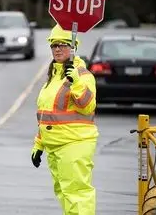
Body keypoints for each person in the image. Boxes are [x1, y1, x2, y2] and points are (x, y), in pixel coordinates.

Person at [30, 24, 99, 215]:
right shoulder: (54, 75)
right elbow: (47, 114)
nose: (58, 48)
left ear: (73, 46)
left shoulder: (83, 75)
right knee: (63, 193)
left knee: (77, 194)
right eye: (54, 45)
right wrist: (39, 144)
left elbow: (88, 106)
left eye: (63, 44)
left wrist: (76, 83)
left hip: (74, 143)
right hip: (54, 145)